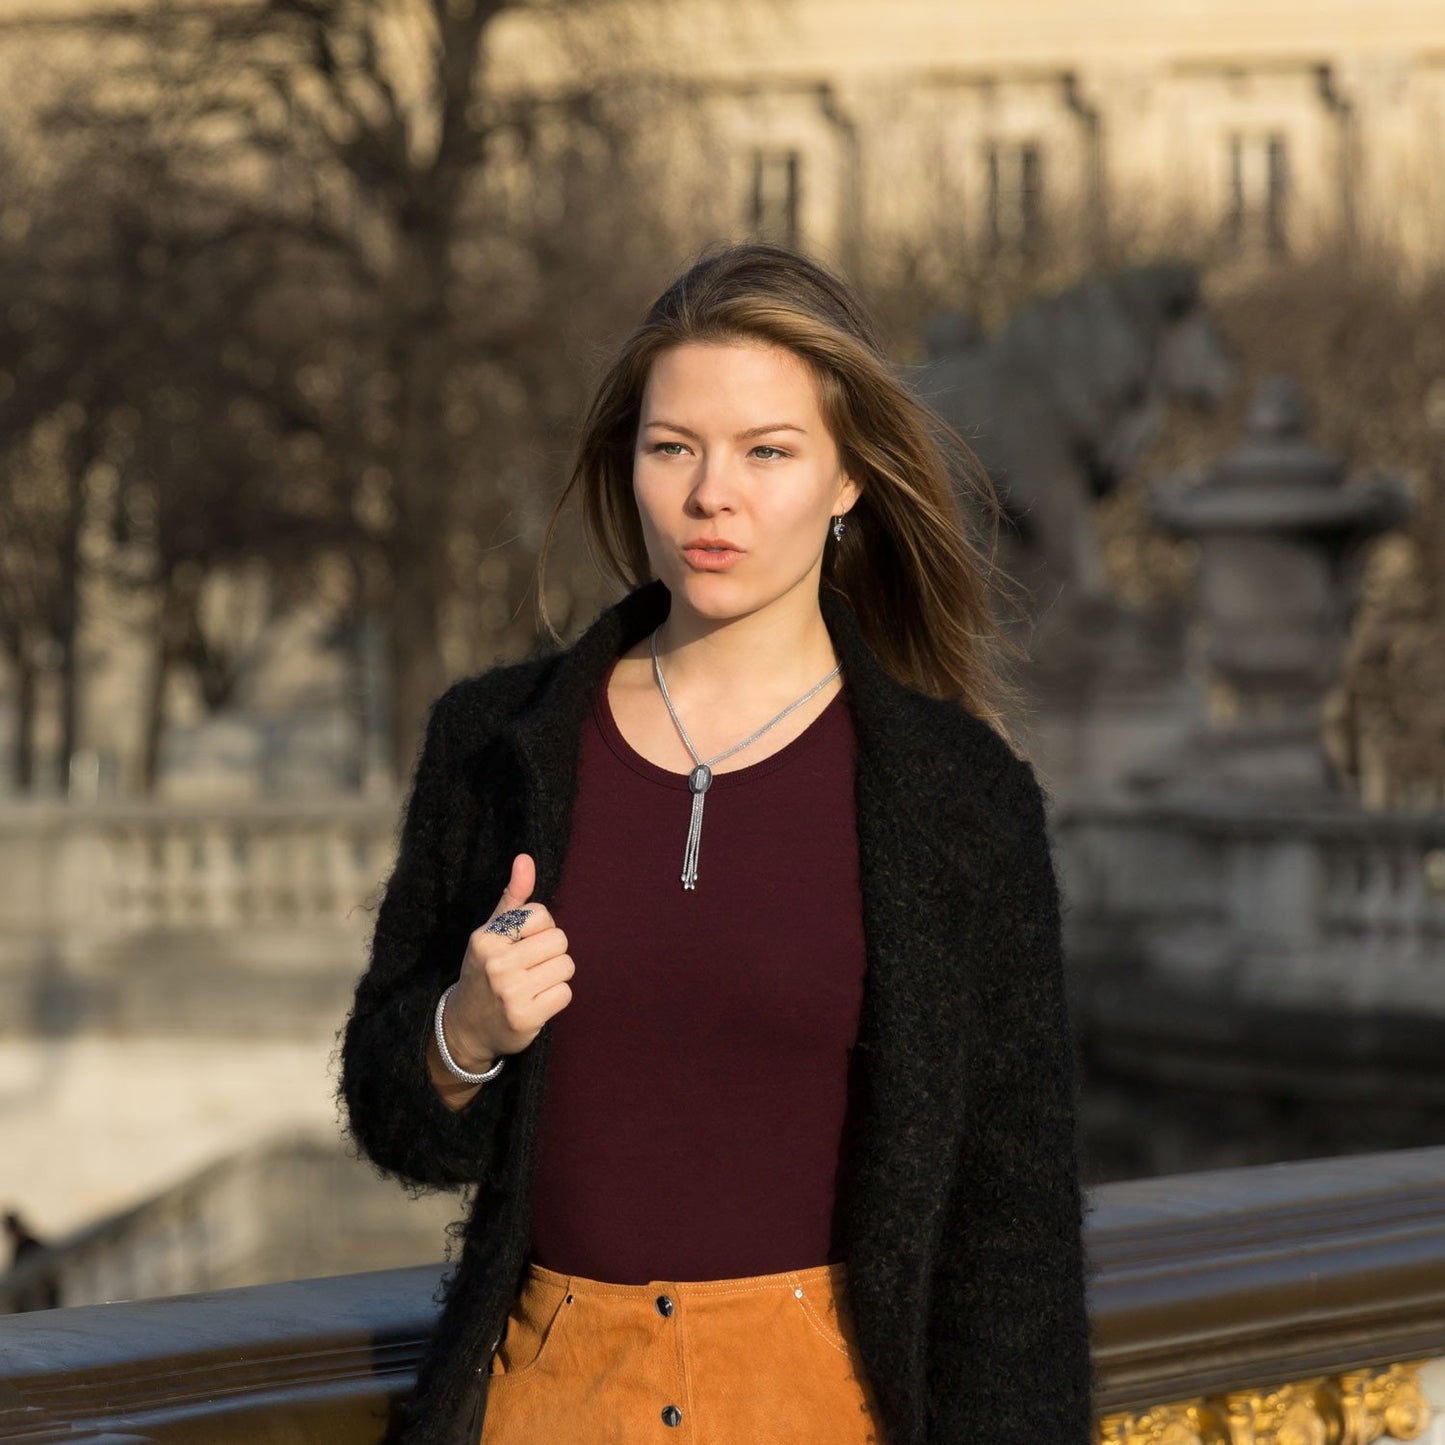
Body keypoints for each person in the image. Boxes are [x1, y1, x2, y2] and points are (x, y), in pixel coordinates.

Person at [339, 240, 1094, 1445]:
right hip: (547, 1403)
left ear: (848, 479)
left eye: (767, 451)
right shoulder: (494, 743)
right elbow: (394, 1117)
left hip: (823, 1403)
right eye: (672, 446)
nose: (710, 495)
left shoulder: (959, 796)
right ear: (626, 463)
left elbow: (1011, 1229)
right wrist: (462, 1032)